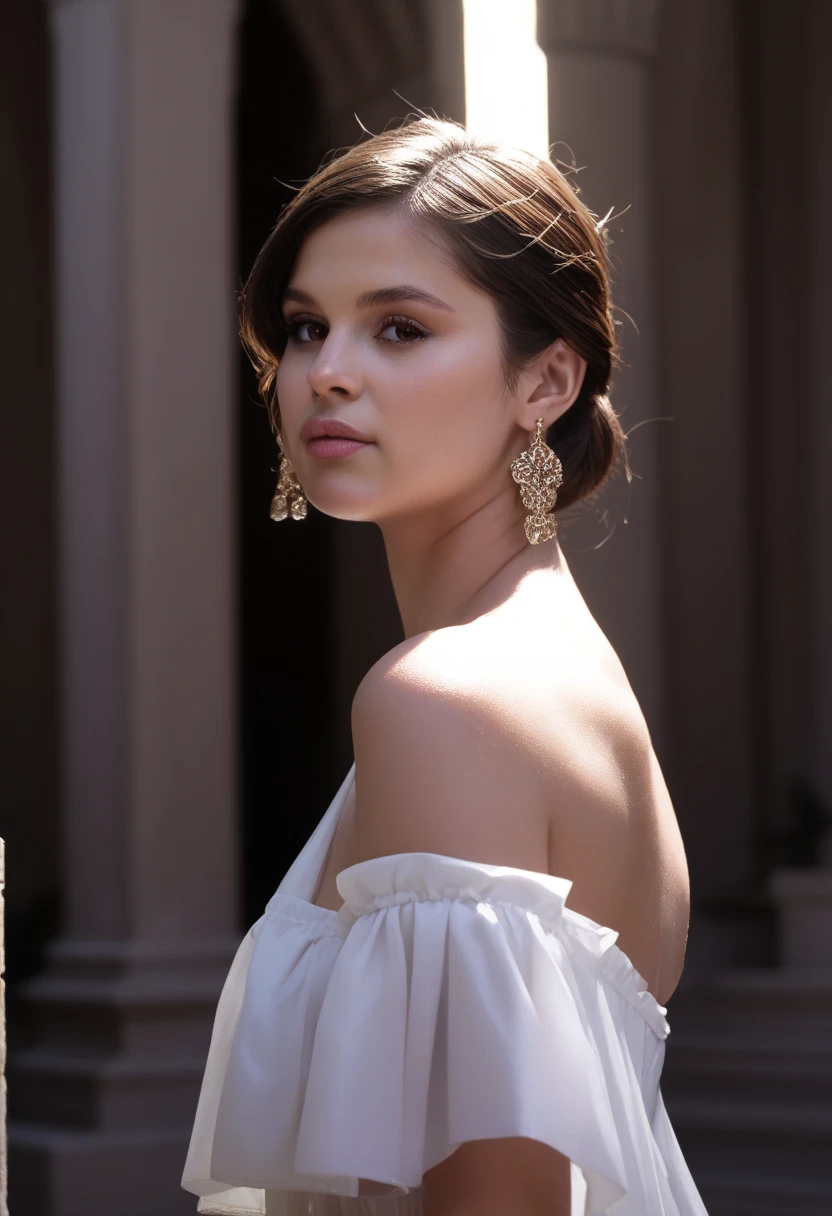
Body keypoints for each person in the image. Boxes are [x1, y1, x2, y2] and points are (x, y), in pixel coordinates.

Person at [181, 115, 708, 1216]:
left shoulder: (448, 699)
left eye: (400, 330)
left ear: (546, 381)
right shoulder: (554, 667)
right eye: (305, 327)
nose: (327, 373)